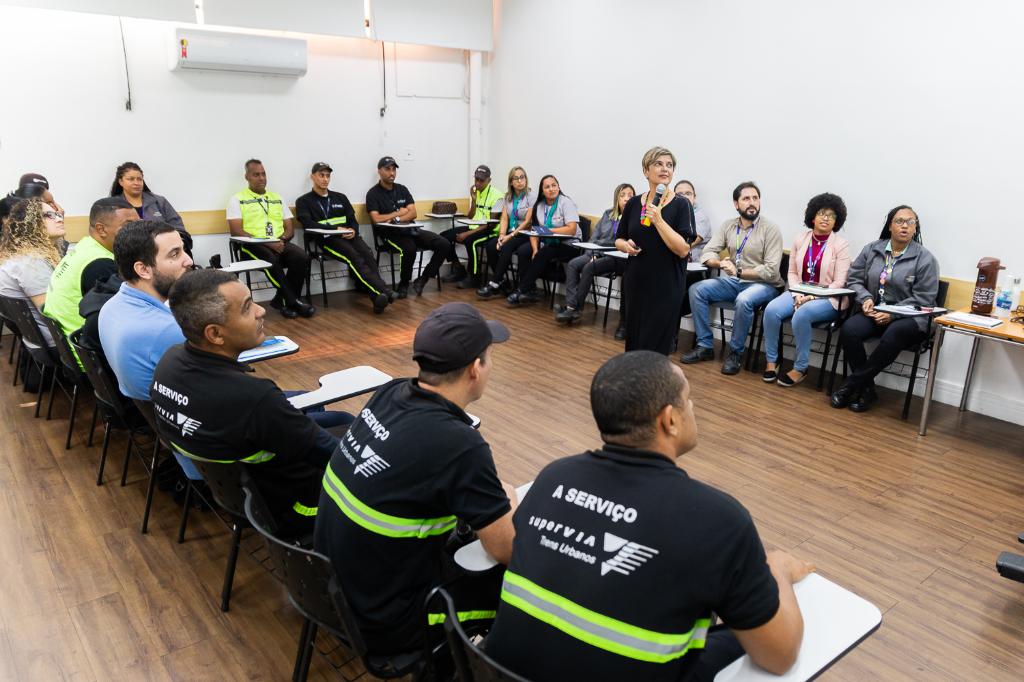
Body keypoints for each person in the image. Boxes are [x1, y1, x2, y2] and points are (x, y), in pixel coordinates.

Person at [486, 351, 812, 682]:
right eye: (688, 399)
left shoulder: (554, 476)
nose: (692, 407)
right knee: (742, 632)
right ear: (669, 420)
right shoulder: (719, 521)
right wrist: (777, 570)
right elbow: (780, 656)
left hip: (498, 674)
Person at [315, 302, 517, 657]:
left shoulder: (391, 392)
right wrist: (509, 499)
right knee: (516, 584)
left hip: (332, 590)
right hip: (389, 621)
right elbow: (507, 550)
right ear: (475, 369)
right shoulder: (458, 444)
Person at [151, 270, 353, 535]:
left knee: (342, 420)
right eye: (247, 308)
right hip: (295, 507)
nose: (261, 311)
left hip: (239, 493)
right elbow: (334, 455)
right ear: (215, 334)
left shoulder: (169, 362)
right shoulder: (254, 398)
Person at [98, 220, 198, 478]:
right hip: (207, 459)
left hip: (171, 435)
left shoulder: (112, 307)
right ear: (143, 269)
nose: (188, 260)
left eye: (183, 250)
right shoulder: (165, 331)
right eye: (174, 254)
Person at [830, 206, 939, 412]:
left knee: (893, 334)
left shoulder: (925, 258)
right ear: (890, 226)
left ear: (915, 228)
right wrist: (865, 298)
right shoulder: (872, 249)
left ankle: (851, 385)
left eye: (910, 222)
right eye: (899, 221)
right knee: (850, 330)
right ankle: (867, 389)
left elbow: (924, 298)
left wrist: (892, 313)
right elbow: (854, 279)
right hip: (874, 310)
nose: (905, 226)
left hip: (910, 318)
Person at [682, 182, 783, 375]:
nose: (752, 202)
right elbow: (707, 252)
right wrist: (720, 263)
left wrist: (738, 272)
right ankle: (705, 346)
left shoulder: (770, 229)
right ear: (736, 204)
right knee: (697, 289)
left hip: (765, 285)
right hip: (735, 281)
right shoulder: (728, 226)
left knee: (744, 300)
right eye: (746, 199)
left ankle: (735, 353)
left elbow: (770, 270)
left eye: (755, 198)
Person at [762, 193, 852, 386]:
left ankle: (801, 367)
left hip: (829, 298)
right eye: (822, 213)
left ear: (837, 221)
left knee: (801, 314)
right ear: (813, 216)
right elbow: (792, 273)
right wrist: (798, 294)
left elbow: (839, 282)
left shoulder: (841, 245)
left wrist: (811, 297)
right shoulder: (800, 239)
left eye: (832, 215)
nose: (826, 218)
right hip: (799, 292)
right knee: (771, 310)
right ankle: (772, 361)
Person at [615, 147, 694, 354]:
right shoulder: (634, 203)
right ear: (646, 171)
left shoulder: (682, 205)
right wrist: (624, 245)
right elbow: (619, 238)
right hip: (636, 281)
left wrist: (659, 220)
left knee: (655, 346)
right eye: (658, 164)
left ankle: (654, 376)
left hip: (665, 285)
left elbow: (683, 250)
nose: (665, 169)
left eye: (669, 165)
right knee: (634, 342)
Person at [294, 162, 395, 314]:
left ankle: (377, 295)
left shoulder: (340, 197)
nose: (325, 179)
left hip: (348, 236)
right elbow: (308, 224)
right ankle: (383, 290)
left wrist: (353, 230)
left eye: (328, 176)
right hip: (327, 240)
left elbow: (352, 220)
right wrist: (335, 229)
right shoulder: (303, 201)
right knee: (353, 255)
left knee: (367, 252)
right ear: (312, 177)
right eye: (321, 175)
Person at [43, 196, 136, 360]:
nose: (137, 231)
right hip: (89, 359)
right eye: (129, 226)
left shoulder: (85, 246)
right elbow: (123, 320)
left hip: (73, 350)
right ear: (101, 229)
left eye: (139, 224)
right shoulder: (100, 264)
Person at [227, 159, 315, 319]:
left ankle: (282, 301)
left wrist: (282, 240)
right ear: (247, 177)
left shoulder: (277, 198)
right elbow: (236, 231)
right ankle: (293, 302)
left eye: (263, 174)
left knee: (301, 257)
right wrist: (268, 243)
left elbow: (289, 227)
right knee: (270, 260)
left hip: (279, 242)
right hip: (250, 246)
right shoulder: (237, 199)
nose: (261, 178)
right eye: (256, 175)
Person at [366, 156, 450, 298]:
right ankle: (404, 284)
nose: (392, 173)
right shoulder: (373, 194)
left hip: (410, 229)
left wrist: (396, 219)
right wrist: (399, 213)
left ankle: (423, 279)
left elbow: (413, 213)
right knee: (409, 248)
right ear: (379, 171)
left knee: (444, 244)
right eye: (388, 169)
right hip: (390, 234)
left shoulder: (402, 189)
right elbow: (376, 218)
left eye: (394, 169)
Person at [555, 182, 634, 326]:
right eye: (622, 195)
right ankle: (571, 305)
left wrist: (597, 255)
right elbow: (594, 237)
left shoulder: (633, 218)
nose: (626, 198)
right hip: (596, 252)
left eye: (630, 195)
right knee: (573, 264)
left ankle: (575, 309)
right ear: (616, 198)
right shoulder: (608, 214)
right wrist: (593, 253)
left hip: (614, 256)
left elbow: (619, 244)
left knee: (588, 268)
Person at [505, 174, 581, 306]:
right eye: (547, 187)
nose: (551, 189)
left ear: (558, 187)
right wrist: (535, 249)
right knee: (524, 251)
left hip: (570, 244)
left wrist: (549, 231)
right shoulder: (539, 205)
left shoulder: (566, 202)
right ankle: (530, 289)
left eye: (554, 185)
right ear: (542, 191)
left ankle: (521, 289)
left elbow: (571, 229)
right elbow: (535, 231)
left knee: (545, 253)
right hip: (548, 242)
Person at [0, 198, 66, 347]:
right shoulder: (31, 264)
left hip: (39, 341)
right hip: (57, 345)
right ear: (30, 223)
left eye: (57, 214)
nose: (59, 218)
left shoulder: (24, 255)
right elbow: (54, 312)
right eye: (48, 215)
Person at [109, 161, 194, 257]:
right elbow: (111, 235)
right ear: (121, 182)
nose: (136, 183)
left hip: (164, 252)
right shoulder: (113, 205)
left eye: (139, 179)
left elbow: (179, 228)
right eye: (131, 179)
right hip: (130, 254)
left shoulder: (159, 201)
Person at [476, 166, 536, 300]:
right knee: (491, 246)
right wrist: (502, 235)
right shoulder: (508, 197)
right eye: (516, 178)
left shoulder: (531, 196)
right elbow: (504, 218)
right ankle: (502, 281)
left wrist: (510, 236)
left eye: (522, 177)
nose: (520, 181)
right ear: (511, 182)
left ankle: (495, 282)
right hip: (510, 232)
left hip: (525, 233)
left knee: (506, 246)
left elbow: (528, 221)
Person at [440, 165, 503, 289]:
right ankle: (458, 268)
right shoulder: (476, 192)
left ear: (489, 180)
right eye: (476, 179)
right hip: (474, 227)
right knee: (443, 237)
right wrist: (473, 200)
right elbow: (470, 216)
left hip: (490, 230)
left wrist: (467, 234)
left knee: (470, 241)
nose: (478, 183)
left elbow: (491, 224)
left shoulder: (498, 196)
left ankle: (474, 277)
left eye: (481, 180)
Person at [674, 180, 713, 264]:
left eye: (688, 193)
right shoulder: (673, 214)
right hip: (676, 263)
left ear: (694, 197)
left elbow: (685, 245)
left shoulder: (701, 218)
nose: (684, 197)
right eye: (680, 194)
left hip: (696, 267)